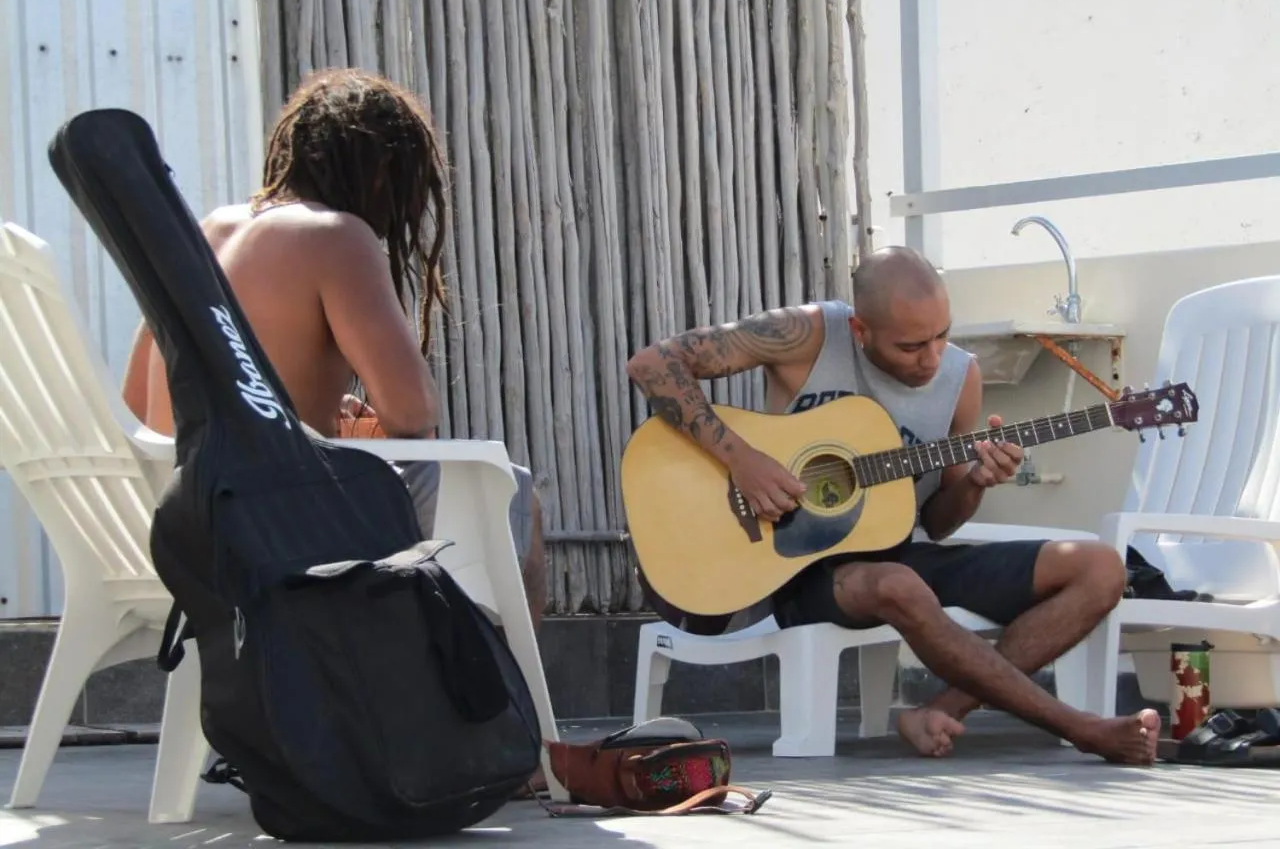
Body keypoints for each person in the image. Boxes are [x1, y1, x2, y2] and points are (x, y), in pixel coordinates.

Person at [624, 245, 1159, 765]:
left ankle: (941, 711)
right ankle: (1082, 728)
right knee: (900, 585)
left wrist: (974, 481)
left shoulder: (959, 376)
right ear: (861, 331)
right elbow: (654, 364)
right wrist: (743, 460)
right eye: (910, 347)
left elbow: (938, 522)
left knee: (1099, 567)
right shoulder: (809, 333)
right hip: (796, 570)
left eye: (942, 336)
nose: (931, 359)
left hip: (901, 554)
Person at [120, 68, 548, 633]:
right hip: (279, 526)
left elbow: (136, 398)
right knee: (507, 487)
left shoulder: (206, 232)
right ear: (381, 175)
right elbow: (413, 414)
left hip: (180, 522)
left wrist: (302, 419)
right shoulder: (334, 235)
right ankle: (502, 713)